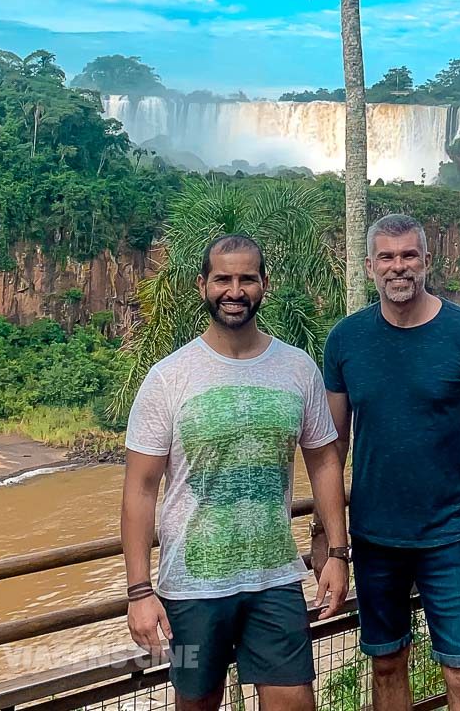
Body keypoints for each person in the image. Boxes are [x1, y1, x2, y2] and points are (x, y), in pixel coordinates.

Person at [121, 234, 350, 711]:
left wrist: (338, 554)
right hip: (190, 588)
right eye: (223, 278)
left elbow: (325, 459)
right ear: (202, 285)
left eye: (247, 278)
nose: (235, 290)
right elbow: (140, 490)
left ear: (265, 284)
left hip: (275, 580)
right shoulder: (169, 377)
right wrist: (139, 591)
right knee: (196, 703)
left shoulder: (297, 368)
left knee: (295, 702)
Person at [313, 214, 460, 711]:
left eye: (408, 256)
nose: (398, 267)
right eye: (386, 256)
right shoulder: (345, 340)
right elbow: (331, 449)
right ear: (368, 267)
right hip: (374, 537)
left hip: (447, 537)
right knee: (385, 664)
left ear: (427, 261)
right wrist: (329, 542)